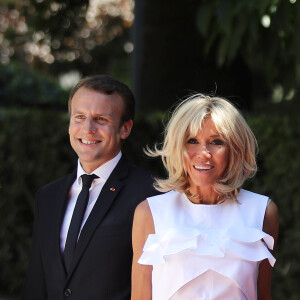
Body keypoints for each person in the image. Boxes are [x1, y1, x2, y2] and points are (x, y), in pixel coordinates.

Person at [22, 75, 159, 300]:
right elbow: (37, 282)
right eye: (79, 117)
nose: (88, 129)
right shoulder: (48, 196)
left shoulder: (153, 193)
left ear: (125, 128)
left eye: (101, 119)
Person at [132, 94, 279, 300]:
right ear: (178, 147)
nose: (203, 153)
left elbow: (263, 295)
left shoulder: (262, 211)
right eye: (192, 141)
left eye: (216, 142)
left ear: (235, 149)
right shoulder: (149, 213)